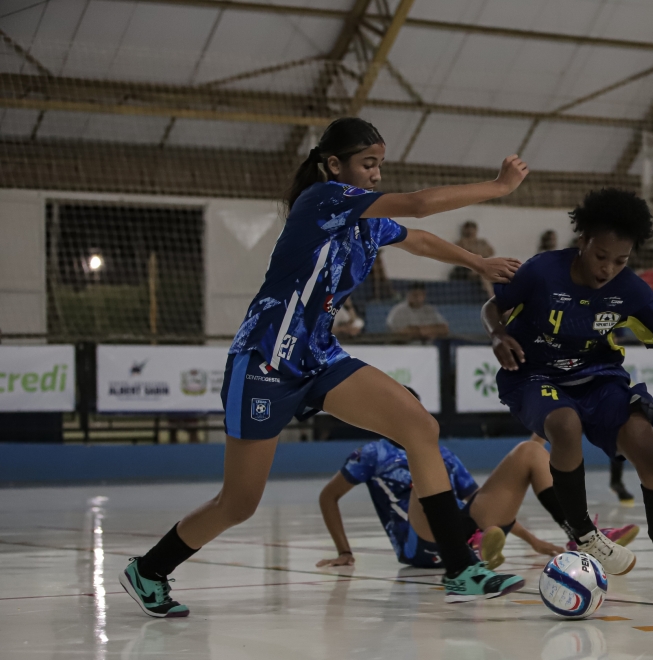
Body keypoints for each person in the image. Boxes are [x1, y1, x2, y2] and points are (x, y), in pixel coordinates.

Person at [118, 117, 531, 617]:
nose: (376, 173)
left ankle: (460, 569)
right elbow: (419, 204)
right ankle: (149, 570)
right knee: (239, 503)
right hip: (267, 360)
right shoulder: (323, 200)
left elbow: (418, 238)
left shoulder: (366, 222)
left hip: (319, 356)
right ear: (334, 165)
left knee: (419, 426)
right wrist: (498, 187)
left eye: (380, 164)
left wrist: (478, 263)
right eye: (368, 163)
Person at [482, 188, 653, 608]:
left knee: (647, 447)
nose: (608, 268)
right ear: (583, 241)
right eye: (601, 256)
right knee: (564, 424)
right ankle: (584, 533)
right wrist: (497, 335)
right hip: (532, 374)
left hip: (598, 376)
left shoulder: (631, 291)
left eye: (621, 260)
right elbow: (493, 306)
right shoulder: (543, 271)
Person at [315, 435, 641, 571]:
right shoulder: (372, 454)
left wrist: (533, 541)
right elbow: (328, 496)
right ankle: (473, 543)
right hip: (419, 545)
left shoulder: (440, 452)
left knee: (530, 450)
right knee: (424, 476)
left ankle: (580, 534)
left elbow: (476, 500)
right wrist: (344, 551)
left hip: (460, 529)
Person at [385, 283, 449, 341]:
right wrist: (423, 331)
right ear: (408, 295)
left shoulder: (430, 310)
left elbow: (444, 329)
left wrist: (420, 331)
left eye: (419, 294)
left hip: (429, 345)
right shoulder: (399, 310)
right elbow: (394, 332)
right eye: (414, 294)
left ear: (424, 295)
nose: (417, 297)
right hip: (405, 346)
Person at [453, 220, 497, 297]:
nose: (470, 231)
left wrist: (476, 253)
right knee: (482, 272)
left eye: (472, 229)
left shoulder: (482, 242)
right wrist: (479, 254)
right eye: (468, 229)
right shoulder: (462, 242)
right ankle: (491, 295)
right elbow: (463, 255)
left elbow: (491, 252)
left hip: (482, 265)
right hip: (467, 269)